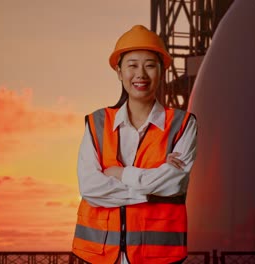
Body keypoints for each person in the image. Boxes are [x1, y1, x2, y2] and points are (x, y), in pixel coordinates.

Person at [71, 25, 197, 264]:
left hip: (158, 256)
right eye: (132, 65)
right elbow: (90, 188)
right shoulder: (97, 123)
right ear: (119, 72)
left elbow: (174, 183)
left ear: (161, 71)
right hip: (97, 255)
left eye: (150, 65)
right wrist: (150, 191)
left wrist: (119, 174)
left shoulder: (183, 124)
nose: (141, 74)